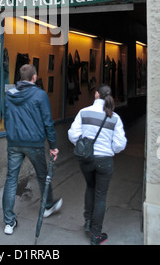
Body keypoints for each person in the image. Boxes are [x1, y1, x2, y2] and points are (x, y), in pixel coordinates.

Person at [2, 64, 62, 235]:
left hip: (14, 143)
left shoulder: (10, 94)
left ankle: (9, 222)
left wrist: (11, 134)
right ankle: (48, 206)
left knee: (11, 180)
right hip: (34, 143)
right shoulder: (40, 94)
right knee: (43, 176)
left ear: (21, 78)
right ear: (34, 77)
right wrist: (53, 146)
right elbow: (48, 122)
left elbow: (6, 116)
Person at [68, 84, 127, 245]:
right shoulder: (114, 117)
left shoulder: (84, 112)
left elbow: (72, 134)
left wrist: (82, 144)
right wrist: (110, 149)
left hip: (87, 160)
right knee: (100, 196)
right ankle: (95, 234)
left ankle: (88, 221)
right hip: (105, 161)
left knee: (90, 187)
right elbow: (120, 144)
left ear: (96, 95)